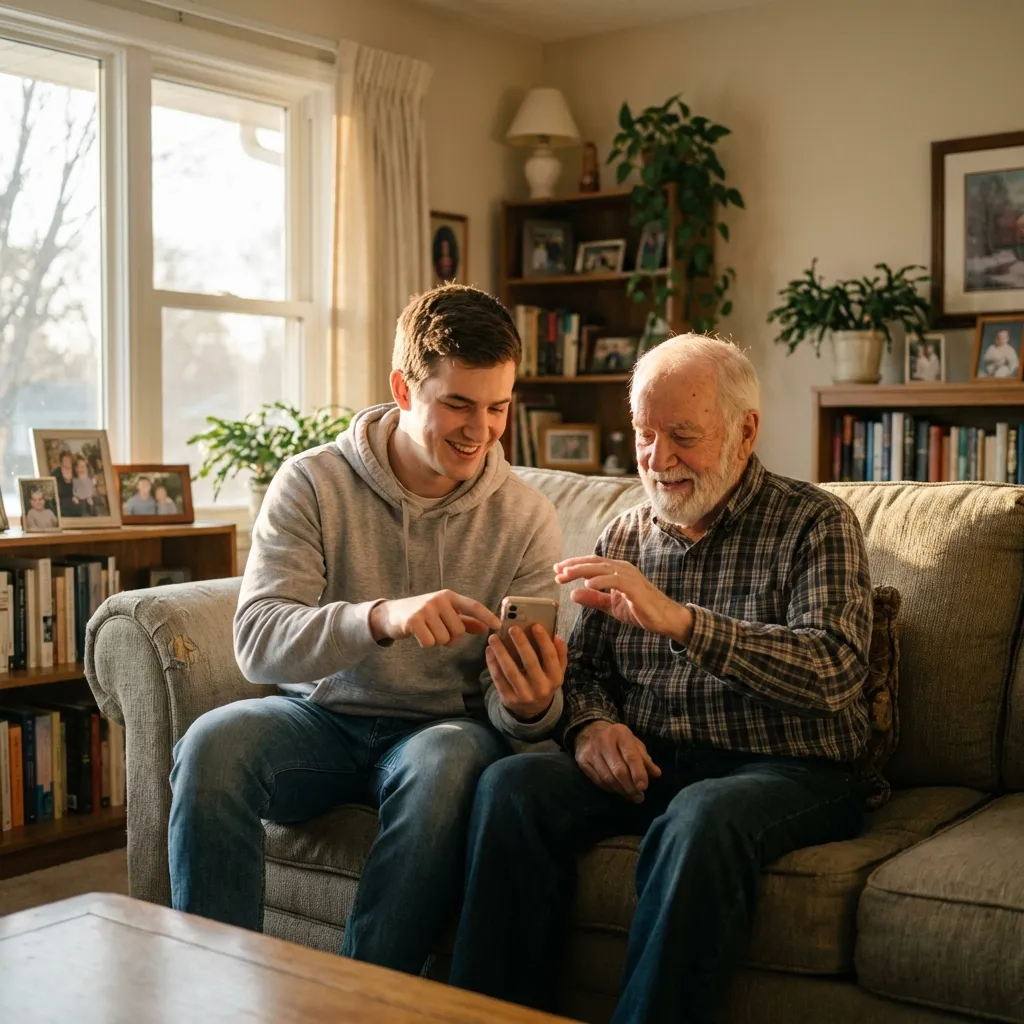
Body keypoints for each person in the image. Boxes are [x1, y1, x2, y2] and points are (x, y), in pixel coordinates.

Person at [449, 334, 873, 1024]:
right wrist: (590, 727)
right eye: (645, 435)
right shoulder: (623, 534)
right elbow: (584, 674)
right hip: (653, 761)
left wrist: (680, 621)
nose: (658, 458)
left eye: (683, 436)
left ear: (746, 431)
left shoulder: (816, 523)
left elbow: (833, 672)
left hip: (791, 769)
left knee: (699, 818)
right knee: (510, 787)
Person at [167, 283, 567, 978]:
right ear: (403, 388)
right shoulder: (313, 484)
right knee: (211, 747)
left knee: (445, 764)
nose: (481, 430)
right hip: (320, 719)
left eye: (498, 407)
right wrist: (380, 617)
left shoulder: (526, 517)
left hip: (442, 729)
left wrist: (531, 704)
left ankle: (362, 999)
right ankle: (210, 993)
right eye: (458, 404)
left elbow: (514, 714)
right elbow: (257, 640)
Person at [52, 449, 77, 518]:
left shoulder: (76, 471)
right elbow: (54, 493)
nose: (69, 462)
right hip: (62, 502)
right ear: (61, 462)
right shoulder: (55, 474)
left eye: (70, 460)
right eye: (66, 460)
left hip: (76, 500)